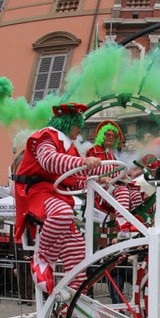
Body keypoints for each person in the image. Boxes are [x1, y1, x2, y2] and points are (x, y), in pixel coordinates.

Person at [11, 103, 101, 294]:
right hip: (35, 191)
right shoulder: (46, 136)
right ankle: (42, 259)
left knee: (78, 247)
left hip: (55, 194)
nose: (79, 131)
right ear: (69, 122)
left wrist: (96, 182)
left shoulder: (71, 149)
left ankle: (75, 295)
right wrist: (83, 162)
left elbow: (72, 181)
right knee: (62, 213)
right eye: (78, 126)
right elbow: (49, 161)